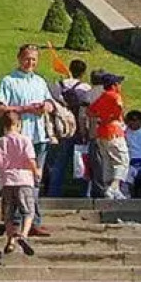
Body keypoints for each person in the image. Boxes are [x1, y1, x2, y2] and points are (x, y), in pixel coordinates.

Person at [0, 44, 53, 237]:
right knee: (18, 182)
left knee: (35, 179)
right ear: (19, 58)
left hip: (39, 136)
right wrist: (25, 109)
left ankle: (34, 220)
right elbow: (1, 109)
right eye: (27, 59)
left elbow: (51, 104)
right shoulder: (9, 81)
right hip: (18, 139)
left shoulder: (39, 81)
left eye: (34, 60)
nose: (31, 63)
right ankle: (16, 221)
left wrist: (45, 106)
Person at [0, 111, 40, 257]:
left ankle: (10, 239)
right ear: (19, 124)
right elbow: (30, 158)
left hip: (7, 180)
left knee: (8, 214)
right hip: (24, 179)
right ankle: (23, 235)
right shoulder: (25, 140)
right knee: (28, 211)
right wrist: (36, 171)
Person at [48, 58, 92, 197]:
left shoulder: (58, 85)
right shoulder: (85, 88)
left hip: (63, 127)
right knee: (82, 163)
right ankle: (84, 193)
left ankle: (54, 192)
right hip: (79, 129)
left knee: (60, 162)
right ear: (83, 72)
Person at [87, 72, 129, 198]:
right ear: (115, 85)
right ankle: (114, 186)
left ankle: (111, 189)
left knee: (108, 162)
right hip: (114, 132)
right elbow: (119, 108)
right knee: (122, 160)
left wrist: (102, 118)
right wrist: (112, 117)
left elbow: (90, 111)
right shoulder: (115, 95)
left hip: (102, 132)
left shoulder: (102, 96)